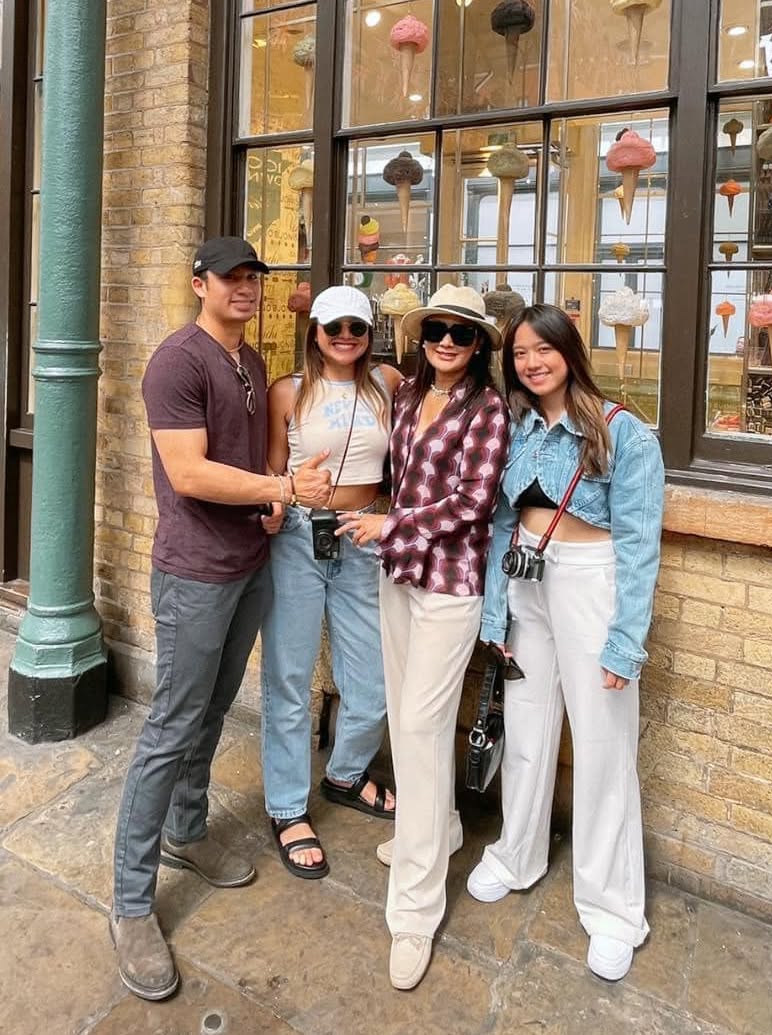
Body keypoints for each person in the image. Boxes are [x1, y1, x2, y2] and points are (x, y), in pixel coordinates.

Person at [110, 237, 332, 1002]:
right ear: (198, 283)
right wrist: (283, 489)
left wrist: (269, 500)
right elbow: (189, 472)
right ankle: (131, 903)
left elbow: (246, 463)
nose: (245, 287)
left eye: (253, 277)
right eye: (230, 277)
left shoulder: (252, 363)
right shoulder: (177, 361)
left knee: (209, 712)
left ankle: (186, 830)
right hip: (194, 573)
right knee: (171, 725)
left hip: (248, 565)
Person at [468, 304, 664, 982]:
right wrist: (495, 613)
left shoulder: (621, 431)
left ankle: (613, 909)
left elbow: (639, 543)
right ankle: (516, 853)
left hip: (590, 584)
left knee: (603, 744)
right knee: (526, 727)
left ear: (569, 351)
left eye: (543, 349)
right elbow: (501, 523)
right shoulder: (517, 426)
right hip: (527, 580)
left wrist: (625, 641)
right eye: (520, 353)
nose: (531, 362)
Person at [338, 284, 509, 991]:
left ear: (479, 345)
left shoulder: (489, 409)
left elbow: (473, 502)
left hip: (448, 585)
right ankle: (437, 829)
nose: (445, 342)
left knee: (418, 725)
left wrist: (391, 523)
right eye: (436, 329)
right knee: (416, 724)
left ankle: (414, 909)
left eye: (461, 334)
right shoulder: (407, 394)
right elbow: (390, 470)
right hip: (398, 574)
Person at [261, 285, 401, 879]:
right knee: (289, 678)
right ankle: (287, 807)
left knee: (372, 681)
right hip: (299, 536)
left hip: (362, 537)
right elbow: (273, 471)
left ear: (370, 334)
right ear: (314, 331)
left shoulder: (389, 384)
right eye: (333, 327)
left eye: (356, 328)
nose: (345, 337)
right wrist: (277, 502)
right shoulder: (287, 391)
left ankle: (345, 774)